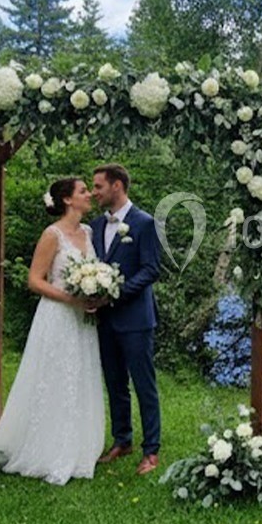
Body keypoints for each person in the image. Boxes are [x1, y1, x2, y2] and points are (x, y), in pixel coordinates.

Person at [0, 178, 106, 484]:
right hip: (58, 316)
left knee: (79, 375)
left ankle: (78, 446)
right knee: (54, 376)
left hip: (83, 321)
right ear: (67, 200)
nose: (89, 194)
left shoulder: (89, 232)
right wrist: (72, 298)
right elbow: (35, 280)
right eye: (83, 191)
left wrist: (95, 296)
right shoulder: (52, 235)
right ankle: (46, 447)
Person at [88, 163, 163, 475]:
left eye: (98, 187)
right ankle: (123, 439)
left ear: (117, 186)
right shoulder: (94, 225)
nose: (94, 193)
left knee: (144, 385)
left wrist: (115, 293)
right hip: (104, 319)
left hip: (135, 318)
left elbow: (151, 269)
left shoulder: (144, 223)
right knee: (115, 382)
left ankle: (151, 451)